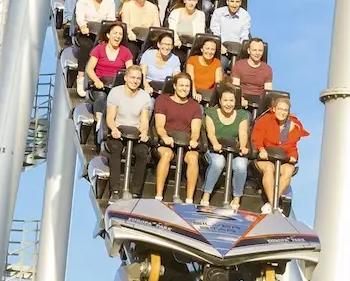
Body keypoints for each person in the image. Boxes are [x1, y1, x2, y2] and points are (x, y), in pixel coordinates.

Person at [252, 93, 308, 212]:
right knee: (269, 168)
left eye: (285, 110)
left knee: (288, 170)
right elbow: (257, 138)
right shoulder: (265, 120)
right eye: (280, 109)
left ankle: (272, 204)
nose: (282, 112)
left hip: (282, 159)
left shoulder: (293, 126)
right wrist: (261, 149)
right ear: (274, 109)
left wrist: (293, 156)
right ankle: (274, 206)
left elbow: (292, 147)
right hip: (265, 158)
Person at [104, 64, 153, 198]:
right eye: (132, 77)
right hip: (118, 131)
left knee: (143, 152)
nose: (135, 81)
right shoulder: (115, 92)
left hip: (135, 133)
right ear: (125, 78)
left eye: (138, 78)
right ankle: (114, 190)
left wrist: (143, 132)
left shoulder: (144, 97)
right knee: (115, 149)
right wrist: (113, 129)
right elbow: (110, 117)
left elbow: (144, 120)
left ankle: (135, 192)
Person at [152, 72, 202, 202]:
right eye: (181, 85)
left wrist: (194, 139)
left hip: (185, 143)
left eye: (187, 86)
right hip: (167, 141)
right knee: (167, 154)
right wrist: (165, 137)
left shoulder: (195, 106)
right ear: (174, 86)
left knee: (193, 157)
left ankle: (189, 199)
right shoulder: (163, 100)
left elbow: (195, 130)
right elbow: (159, 126)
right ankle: (158, 196)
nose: (184, 89)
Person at [199, 85, 251, 208]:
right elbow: (210, 133)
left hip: (234, 149)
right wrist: (216, 144)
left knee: (241, 165)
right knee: (218, 163)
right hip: (215, 149)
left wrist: (243, 146)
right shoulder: (210, 113)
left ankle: (236, 199)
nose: (228, 104)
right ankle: (206, 196)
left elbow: (243, 133)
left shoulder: (242, 115)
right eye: (225, 100)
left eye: (231, 101)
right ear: (220, 101)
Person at [85, 21, 136, 115]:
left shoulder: (126, 52)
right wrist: (97, 81)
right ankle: (99, 122)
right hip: (101, 86)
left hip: (117, 86)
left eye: (120, 34)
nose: (118, 36)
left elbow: (131, 71)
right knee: (101, 97)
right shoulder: (99, 49)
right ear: (108, 35)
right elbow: (89, 68)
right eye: (115, 33)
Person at [230, 38, 272, 106]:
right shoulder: (239, 65)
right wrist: (240, 99)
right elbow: (235, 88)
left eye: (260, 50)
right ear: (249, 51)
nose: (257, 53)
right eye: (254, 50)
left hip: (259, 101)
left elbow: (268, 92)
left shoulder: (268, 69)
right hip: (242, 98)